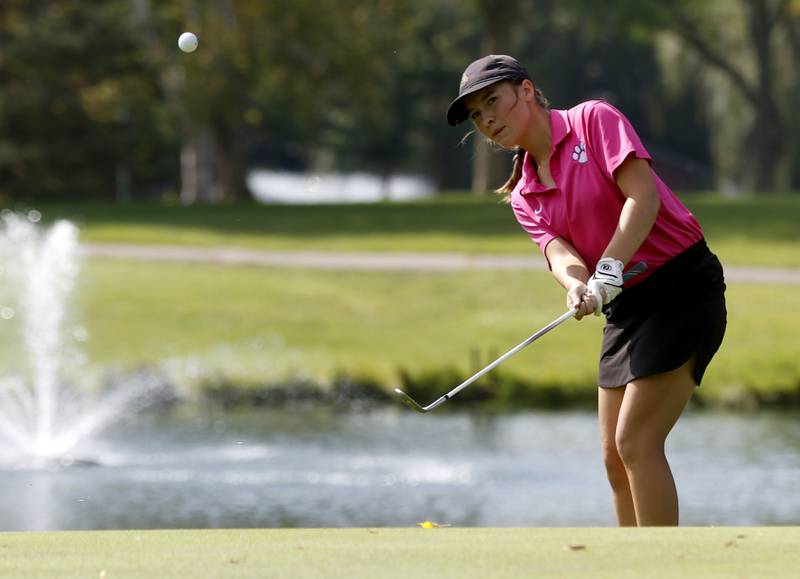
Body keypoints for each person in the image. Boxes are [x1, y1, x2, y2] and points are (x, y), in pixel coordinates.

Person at [447, 54, 726, 526]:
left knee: (635, 441)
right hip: (626, 306)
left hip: (681, 286)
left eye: (493, 100)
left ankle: (665, 567)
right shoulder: (523, 193)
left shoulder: (593, 120)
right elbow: (560, 253)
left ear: (528, 91)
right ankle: (629, 567)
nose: (487, 119)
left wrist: (610, 267)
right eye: (477, 114)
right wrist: (577, 284)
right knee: (613, 459)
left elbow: (644, 197)